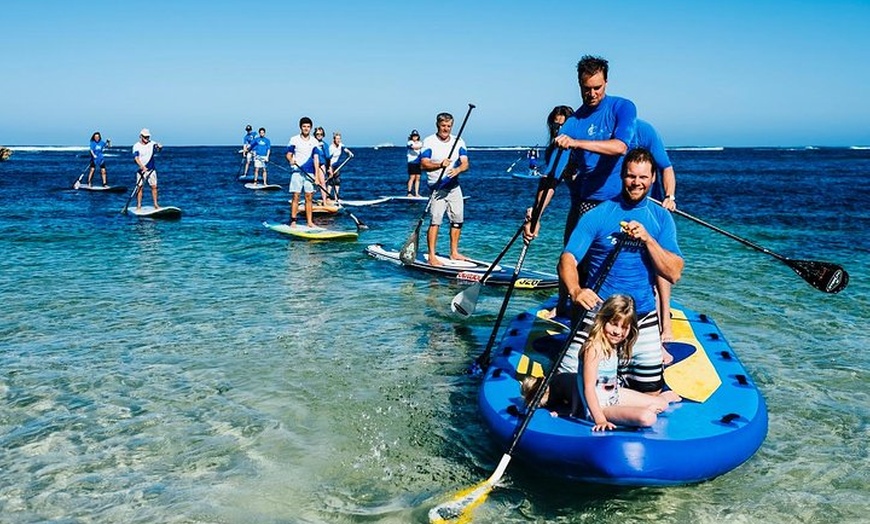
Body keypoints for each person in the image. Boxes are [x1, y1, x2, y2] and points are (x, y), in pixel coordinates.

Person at [558, 147, 684, 394]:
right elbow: (567, 259)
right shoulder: (599, 214)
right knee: (567, 387)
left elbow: (674, 273)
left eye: (643, 177)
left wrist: (648, 240)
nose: (636, 183)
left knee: (650, 392)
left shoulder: (660, 217)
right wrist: (575, 290)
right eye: (631, 176)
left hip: (642, 317)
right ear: (622, 176)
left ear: (653, 178)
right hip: (599, 315)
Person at [524, 55, 637, 244]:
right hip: (590, 202)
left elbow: (620, 147)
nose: (592, 94)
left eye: (597, 88)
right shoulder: (572, 125)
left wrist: (577, 143)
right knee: (572, 262)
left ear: (606, 83)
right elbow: (551, 179)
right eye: (586, 88)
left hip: (624, 201)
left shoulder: (623, 107)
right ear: (579, 84)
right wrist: (535, 217)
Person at [575, 294, 680, 431]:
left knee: (662, 404)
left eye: (624, 327)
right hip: (601, 408)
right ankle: (646, 409)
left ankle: (659, 400)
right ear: (602, 320)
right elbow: (588, 388)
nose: (618, 332)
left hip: (614, 395)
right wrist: (600, 419)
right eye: (614, 324)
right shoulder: (594, 348)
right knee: (648, 418)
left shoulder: (611, 344)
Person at [632, 119, 679, 345]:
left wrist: (669, 196)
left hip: (654, 205)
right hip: (623, 205)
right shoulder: (603, 132)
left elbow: (666, 167)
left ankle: (665, 324)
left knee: (659, 262)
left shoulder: (644, 130)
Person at [419, 112, 470, 266]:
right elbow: (423, 164)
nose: (446, 129)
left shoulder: (458, 141)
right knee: (435, 221)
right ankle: (432, 256)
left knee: (457, 220)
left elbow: (465, 163)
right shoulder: (429, 142)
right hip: (437, 188)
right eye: (443, 126)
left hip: (454, 186)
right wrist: (440, 164)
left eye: (449, 126)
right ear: (438, 125)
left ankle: (454, 252)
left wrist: (458, 170)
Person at [285, 117, 317, 227]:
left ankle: (309, 222)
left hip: (310, 172)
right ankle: (293, 220)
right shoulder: (294, 139)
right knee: (296, 196)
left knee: (309, 197)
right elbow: (288, 154)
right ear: (300, 127)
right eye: (304, 126)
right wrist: (291, 160)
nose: (306, 128)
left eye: (308, 127)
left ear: (311, 128)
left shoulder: (314, 141)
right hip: (297, 172)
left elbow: (316, 159)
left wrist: (317, 176)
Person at [132, 128, 162, 210]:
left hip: (151, 169)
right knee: (140, 187)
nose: (147, 139)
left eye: (148, 137)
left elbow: (158, 148)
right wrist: (142, 167)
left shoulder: (152, 143)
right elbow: (136, 158)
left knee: (154, 186)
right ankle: (139, 205)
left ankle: (156, 204)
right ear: (141, 136)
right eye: (145, 137)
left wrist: (159, 147)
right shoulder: (136, 146)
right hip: (141, 170)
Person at [325, 131, 353, 203]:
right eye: (337, 139)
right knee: (330, 181)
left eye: (339, 139)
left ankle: (336, 197)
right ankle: (327, 197)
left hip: (336, 166)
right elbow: (328, 159)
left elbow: (345, 149)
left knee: (337, 181)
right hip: (329, 165)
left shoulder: (340, 145)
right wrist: (329, 169)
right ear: (334, 139)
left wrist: (349, 153)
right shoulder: (331, 148)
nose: (338, 140)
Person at [406, 129, 423, 197]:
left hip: (418, 162)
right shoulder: (410, 142)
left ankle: (416, 193)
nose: (415, 137)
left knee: (418, 177)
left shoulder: (420, 143)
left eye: (416, 136)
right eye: (413, 136)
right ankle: (409, 192)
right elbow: (413, 147)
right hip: (412, 162)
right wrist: (421, 147)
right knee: (412, 177)